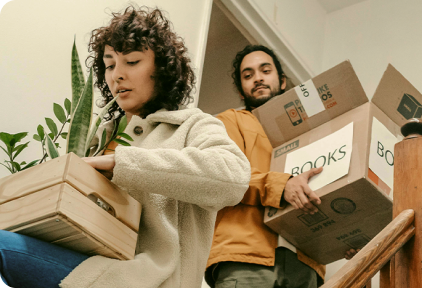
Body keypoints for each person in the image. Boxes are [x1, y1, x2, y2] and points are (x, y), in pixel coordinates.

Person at [0, 6, 251, 288]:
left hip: (146, 279)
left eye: (131, 61)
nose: (117, 75)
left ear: (163, 69)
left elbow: (234, 177)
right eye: (109, 65)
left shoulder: (192, 125)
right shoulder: (98, 137)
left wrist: (122, 164)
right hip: (84, 263)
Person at [205, 45, 326, 288]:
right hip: (244, 258)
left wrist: (346, 233)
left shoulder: (312, 130)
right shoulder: (228, 121)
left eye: (265, 70)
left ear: (282, 82)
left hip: (305, 263)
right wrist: (282, 186)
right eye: (248, 75)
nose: (258, 78)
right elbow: (225, 175)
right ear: (241, 90)